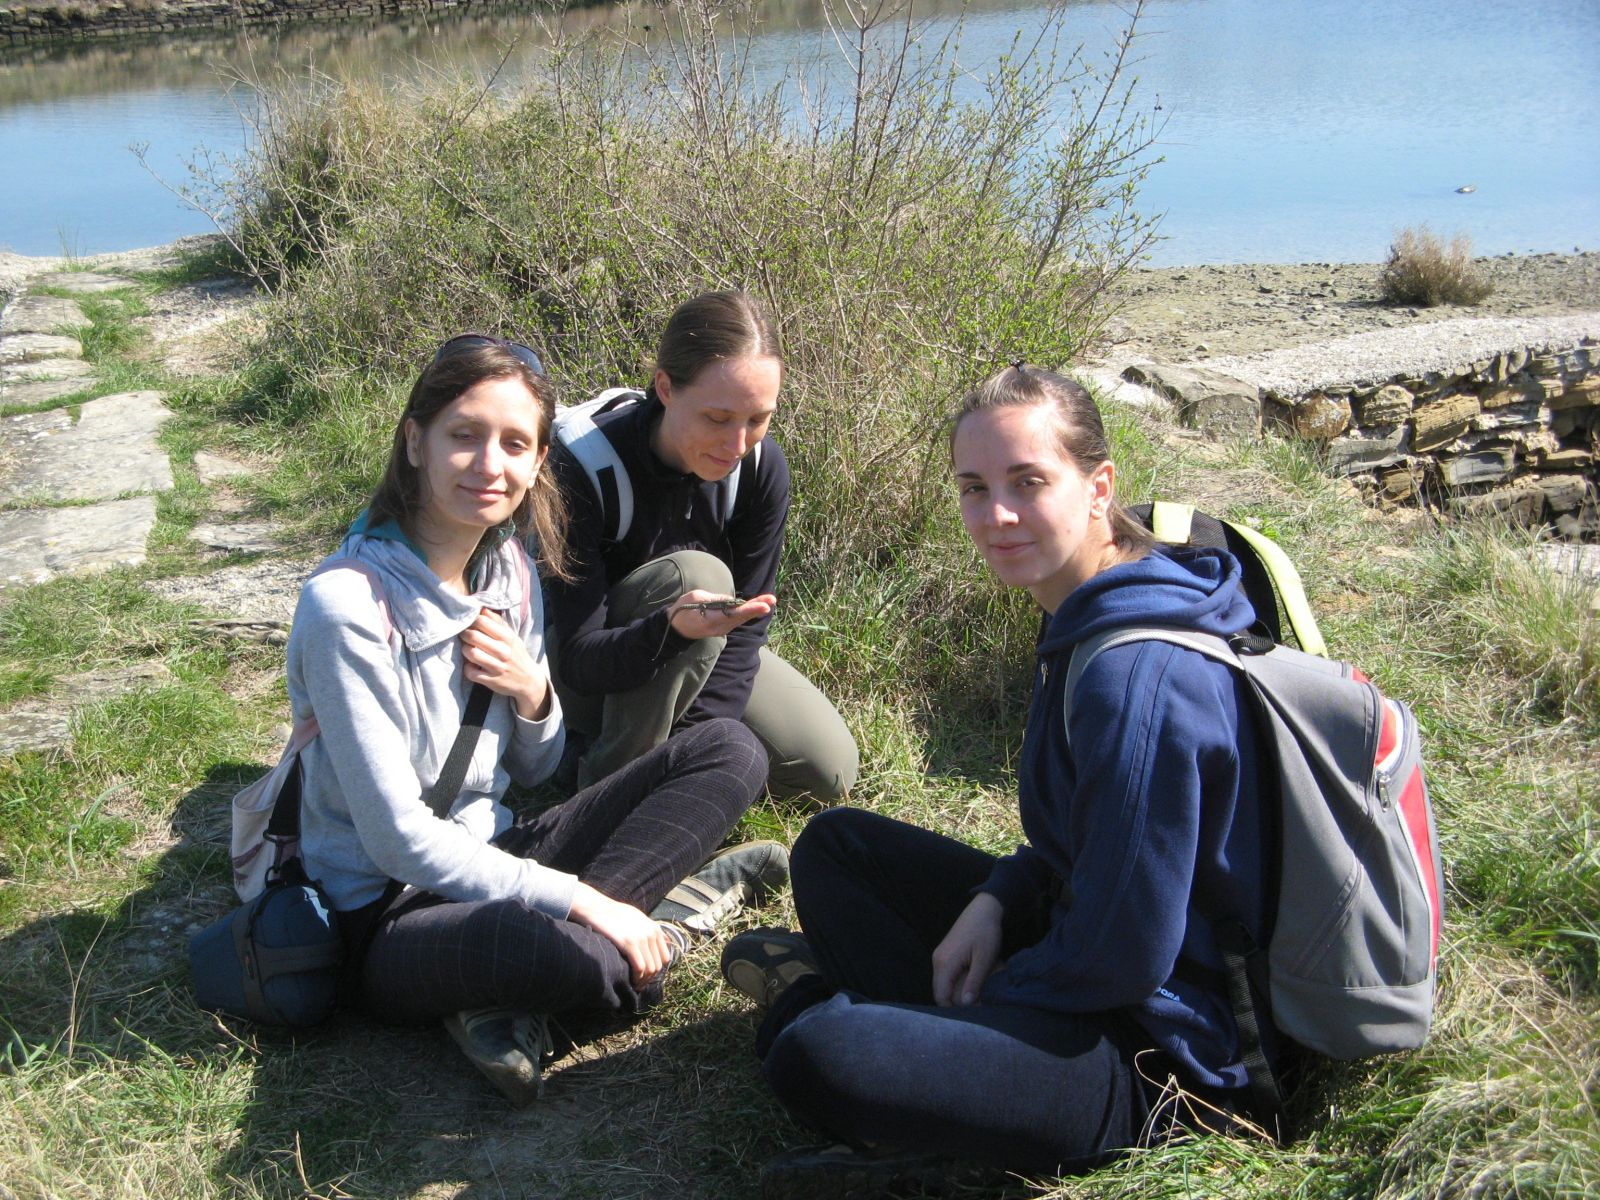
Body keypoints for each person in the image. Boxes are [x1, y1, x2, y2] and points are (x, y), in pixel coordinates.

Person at [719, 364, 1278, 1194]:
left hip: (1163, 1058)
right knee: (837, 846)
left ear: (1099, 487)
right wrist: (996, 899)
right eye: (974, 488)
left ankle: (839, 1018)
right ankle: (895, 1037)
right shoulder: (1095, 604)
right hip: (1090, 947)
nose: (997, 515)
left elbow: (1123, 956)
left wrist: (990, 998)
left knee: (815, 1051)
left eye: (1029, 482)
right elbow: (1081, 844)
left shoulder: (1137, 679)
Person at [284, 334, 784, 1104]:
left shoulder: (509, 569)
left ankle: (527, 983)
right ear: (415, 441)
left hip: (497, 850)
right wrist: (585, 901)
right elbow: (396, 840)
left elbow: (535, 768)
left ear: (539, 460)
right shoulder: (347, 606)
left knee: (732, 749)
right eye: (465, 435)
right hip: (388, 910)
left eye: (516, 444)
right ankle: (664, 920)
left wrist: (533, 695)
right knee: (601, 966)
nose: (490, 464)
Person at [543, 290, 858, 803]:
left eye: (758, 419)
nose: (737, 445)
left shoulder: (760, 468)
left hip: (691, 652)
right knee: (698, 576)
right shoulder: (582, 465)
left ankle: (672, 772)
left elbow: (747, 624)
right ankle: (604, 793)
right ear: (665, 387)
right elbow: (578, 658)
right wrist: (670, 631)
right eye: (717, 418)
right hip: (581, 671)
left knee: (829, 771)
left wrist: (698, 743)